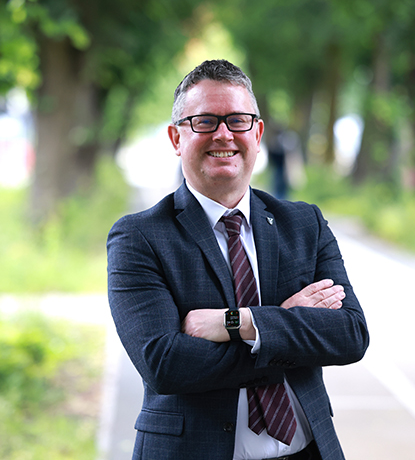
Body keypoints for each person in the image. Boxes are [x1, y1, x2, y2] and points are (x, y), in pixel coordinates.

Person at [107, 59, 369, 460]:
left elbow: (349, 334)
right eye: (205, 121)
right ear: (177, 138)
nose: (224, 134)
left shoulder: (303, 223)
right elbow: (165, 364)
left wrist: (236, 322)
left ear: (258, 133)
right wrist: (286, 324)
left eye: (238, 121)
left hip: (308, 451)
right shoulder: (139, 237)